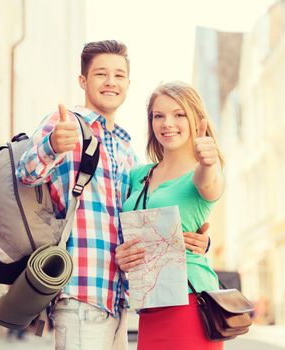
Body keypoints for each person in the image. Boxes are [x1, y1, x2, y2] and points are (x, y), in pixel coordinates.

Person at [17, 41, 209, 350]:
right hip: (82, 291)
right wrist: (52, 144)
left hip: (121, 299)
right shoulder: (64, 124)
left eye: (119, 75)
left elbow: (143, 219)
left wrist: (197, 240)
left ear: (128, 84)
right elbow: (26, 173)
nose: (111, 82)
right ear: (83, 81)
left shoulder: (125, 150)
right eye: (101, 74)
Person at [115, 81, 225, 349]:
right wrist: (121, 254)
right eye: (158, 116)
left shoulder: (200, 173)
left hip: (189, 303)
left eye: (179, 114)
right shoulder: (139, 175)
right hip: (149, 303)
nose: (167, 123)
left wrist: (208, 162)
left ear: (195, 119)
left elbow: (208, 183)